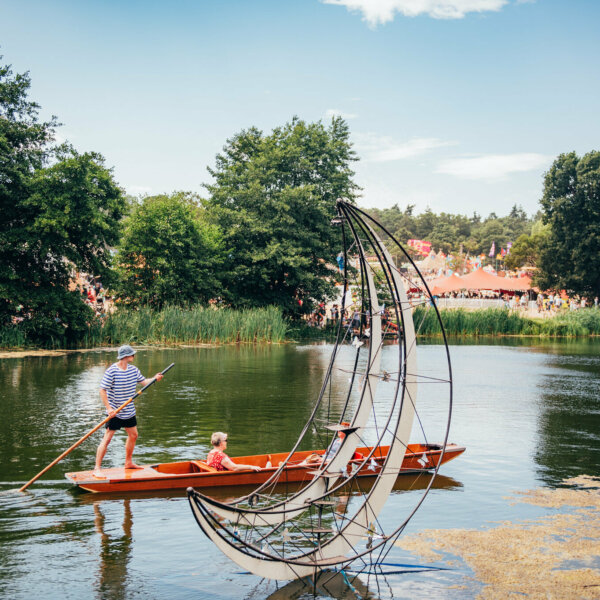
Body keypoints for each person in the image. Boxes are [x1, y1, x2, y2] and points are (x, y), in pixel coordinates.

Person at [93, 345, 163, 477]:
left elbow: (144, 382)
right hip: (115, 411)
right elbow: (102, 390)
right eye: (132, 354)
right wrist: (109, 408)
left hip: (129, 410)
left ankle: (128, 462)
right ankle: (97, 468)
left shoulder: (133, 370)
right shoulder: (112, 371)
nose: (134, 356)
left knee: (134, 435)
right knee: (107, 438)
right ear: (126, 356)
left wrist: (154, 378)